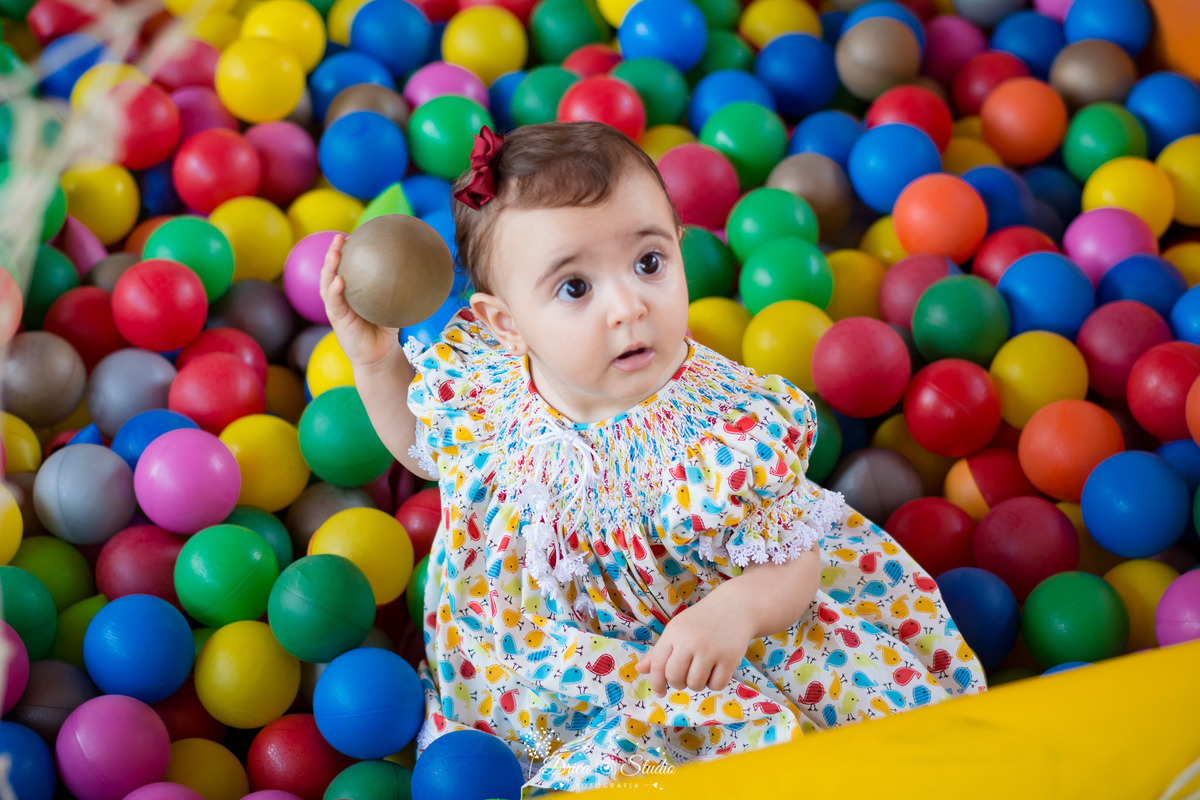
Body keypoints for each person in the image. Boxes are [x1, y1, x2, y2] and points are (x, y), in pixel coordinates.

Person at [319, 121, 988, 797]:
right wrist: (373, 361)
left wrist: (735, 613)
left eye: (649, 263)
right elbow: (423, 449)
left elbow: (795, 554)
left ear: (680, 251)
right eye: (575, 288)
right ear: (506, 325)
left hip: (710, 645)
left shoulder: (720, 427)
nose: (629, 306)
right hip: (547, 655)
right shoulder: (488, 388)